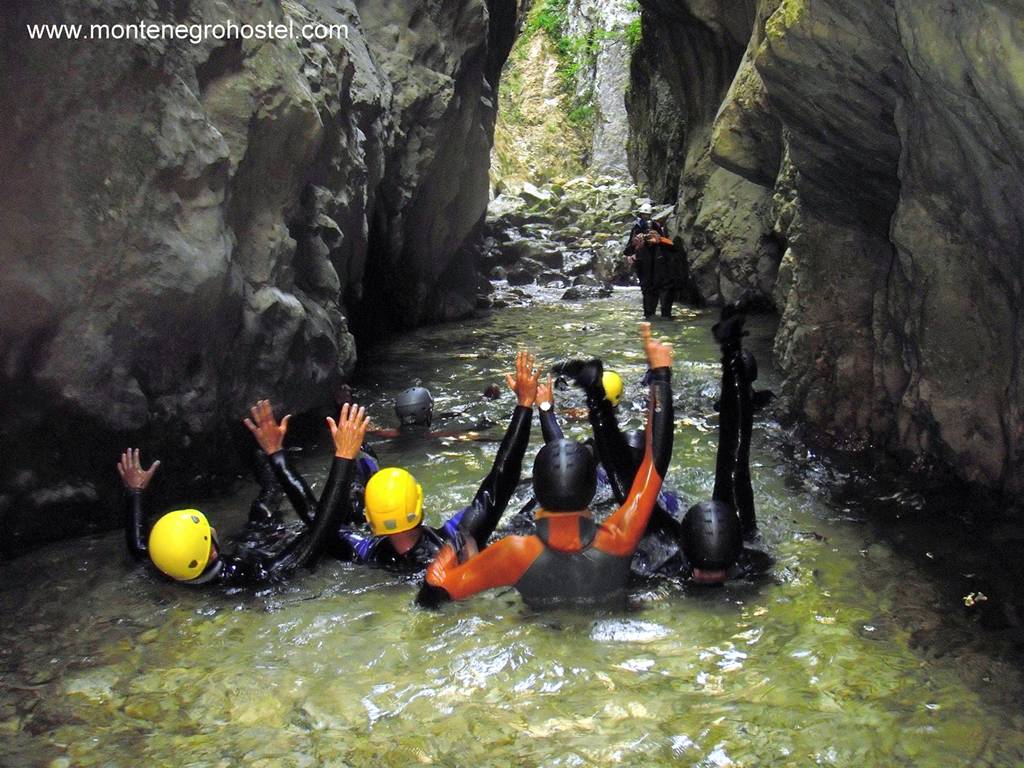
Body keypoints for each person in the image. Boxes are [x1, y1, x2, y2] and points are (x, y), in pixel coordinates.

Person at [419, 323, 674, 610]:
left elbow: (435, 591)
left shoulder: (513, 553)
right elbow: (654, 461)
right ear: (590, 488)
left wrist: (455, 546)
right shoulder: (620, 538)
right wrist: (661, 375)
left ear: (538, 488)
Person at [245, 351, 539, 575]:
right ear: (419, 505)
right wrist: (525, 405)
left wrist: (276, 452)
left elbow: (315, 515)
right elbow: (499, 482)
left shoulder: (363, 551)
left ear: (370, 520)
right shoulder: (453, 542)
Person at [117, 403, 370, 586]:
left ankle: (265, 466)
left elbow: (139, 547)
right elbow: (321, 531)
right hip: (265, 554)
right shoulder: (263, 575)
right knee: (269, 513)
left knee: (262, 514)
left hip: (253, 545)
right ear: (212, 550)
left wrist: (135, 491)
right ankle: (269, 465)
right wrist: (344, 457)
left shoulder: (171, 566)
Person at [624, 203, 676, 320]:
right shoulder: (636, 229)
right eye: (643, 215)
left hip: (659, 267)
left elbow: (670, 246)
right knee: (648, 294)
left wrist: (658, 239)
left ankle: (665, 316)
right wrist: (636, 244)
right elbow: (627, 250)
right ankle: (650, 316)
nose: (645, 218)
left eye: (647, 215)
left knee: (663, 290)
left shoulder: (656, 227)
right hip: (645, 267)